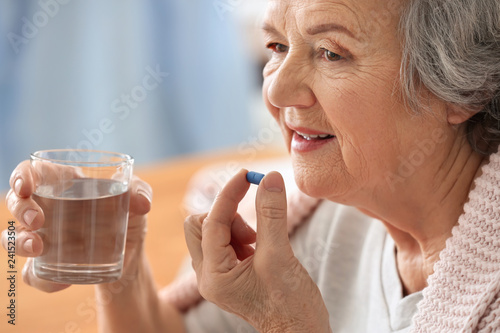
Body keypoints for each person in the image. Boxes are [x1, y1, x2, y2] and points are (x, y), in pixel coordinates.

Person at [3, 0, 500, 331]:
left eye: (331, 53)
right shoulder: (314, 220)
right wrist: (122, 270)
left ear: (460, 88)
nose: (277, 90)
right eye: (278, 47)